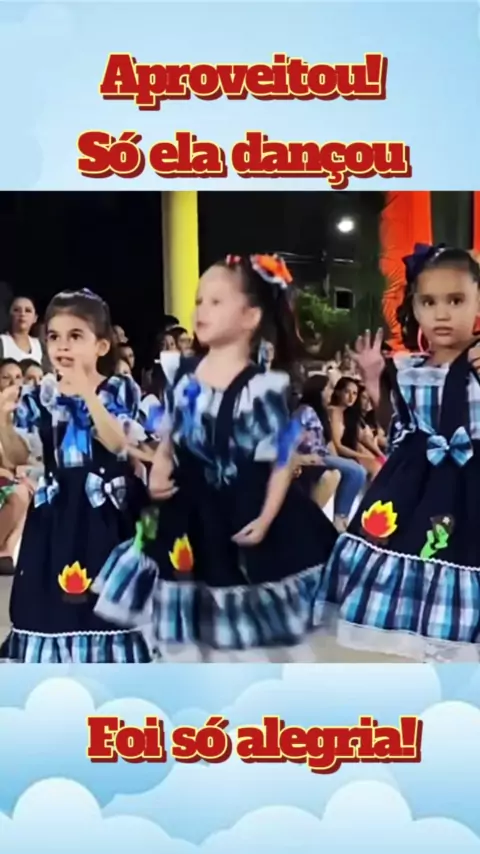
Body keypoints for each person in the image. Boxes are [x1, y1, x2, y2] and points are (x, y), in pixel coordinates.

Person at [94, 254, 337, 661]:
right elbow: (173, 432)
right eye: (199, 301)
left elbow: (282, 457)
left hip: (242, 506)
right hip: (187, 510)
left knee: (249, 622)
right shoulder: (182, 373)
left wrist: (266, 517)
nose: (201, 310)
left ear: (250, 317)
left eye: (216, 302)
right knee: (189, 619)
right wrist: (161, 467)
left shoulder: (262, 385)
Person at [323, 244, 480, 662]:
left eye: (456, 300)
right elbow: (398, 431)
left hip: (471, 489)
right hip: (414, 487)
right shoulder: (410, 371)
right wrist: (375, 379)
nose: (442, 313)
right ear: (415, 307)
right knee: (413, 568)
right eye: (429, 302)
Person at [0, 288, 150, 663]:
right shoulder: (39, 395)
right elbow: (20, 456)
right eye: (54, 336)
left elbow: (117, 441)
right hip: (54, 514)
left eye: (75, 336)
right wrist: (3, 421)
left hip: (106, 512)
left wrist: (86, 391)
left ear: (101, 346)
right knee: (47, 602)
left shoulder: (118, 388)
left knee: (104, 606)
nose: (62, 345)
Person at [296, 374, 366, 531]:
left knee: (354, 470)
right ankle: (340, 519)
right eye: (328, 388)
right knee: (356, 471)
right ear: (318, 390)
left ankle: (341, 518)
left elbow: (328, 443)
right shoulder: (305, 411)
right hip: (311, 455)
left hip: (323, 454)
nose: (331, 392)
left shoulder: (320, 412)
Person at [0, 297, 44, 365]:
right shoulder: (2, 342)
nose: (22, 314)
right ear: (9, 315)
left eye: (28, 310)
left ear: (35, 318)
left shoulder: (40, 346)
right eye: (17, 310)